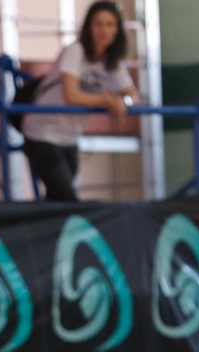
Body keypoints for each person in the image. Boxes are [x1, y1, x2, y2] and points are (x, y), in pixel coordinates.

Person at [21, 1, 134, 202]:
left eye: (110, 24)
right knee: (67, 198)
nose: (104, 30)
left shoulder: (111, 60)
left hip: (69, 137)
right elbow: (71, 96)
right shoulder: (76, 50)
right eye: (99, 24)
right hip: (43, 134)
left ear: (118, 29)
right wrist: (107, 99)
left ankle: (46, 232)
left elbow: (132, 94)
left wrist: (123, 101)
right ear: (89, 26)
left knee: (56, 200)